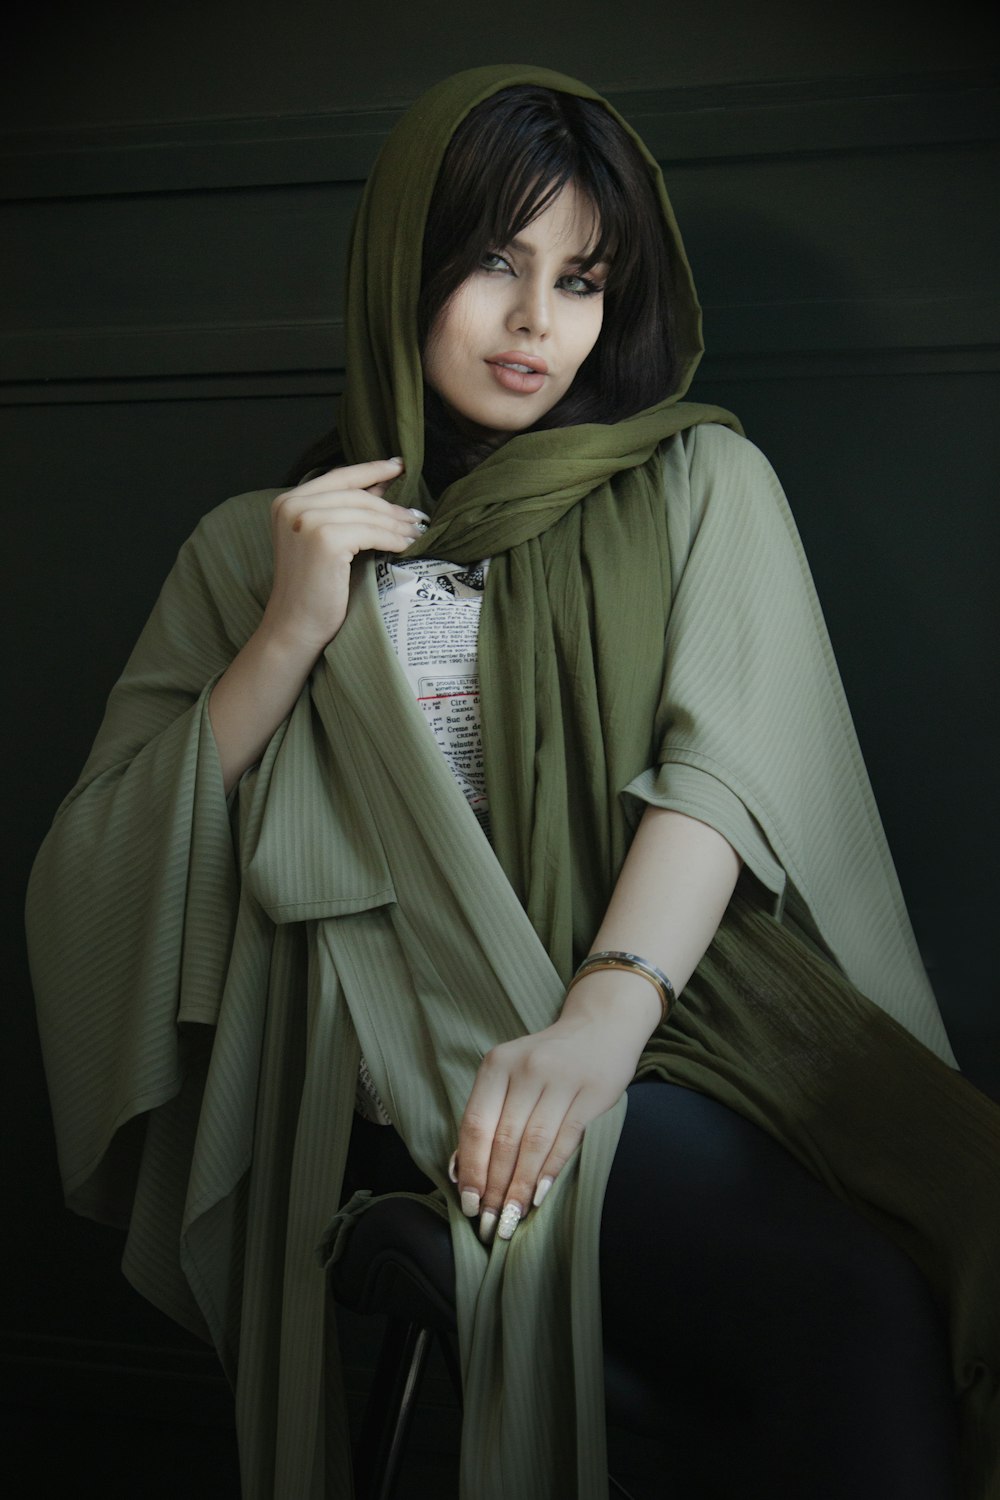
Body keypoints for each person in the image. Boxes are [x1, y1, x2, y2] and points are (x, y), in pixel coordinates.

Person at [26, 65, 999, 1500]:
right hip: (396, 1064)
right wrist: (294, 627)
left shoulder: (696, 485)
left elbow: (720, 777)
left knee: (936, 1250)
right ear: (403, 269)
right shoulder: (259, 545)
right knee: (846, 1314)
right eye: (495, 262)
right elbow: (98, 877)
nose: (540, 322)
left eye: (584, 277)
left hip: (669, 1023)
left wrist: (603, 1015)